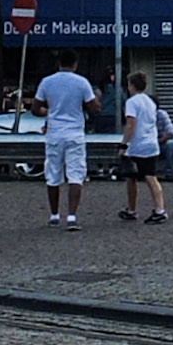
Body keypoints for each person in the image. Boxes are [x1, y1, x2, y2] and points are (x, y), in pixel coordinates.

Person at [31, 52, 100, 229]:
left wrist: (49, 112)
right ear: (75, 64)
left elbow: (35, 108)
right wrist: (97, 98)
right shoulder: (82, 82)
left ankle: (54, 215)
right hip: (75, 133)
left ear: (58, 63)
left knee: (53, 174)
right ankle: (71, 216)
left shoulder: (47, 82)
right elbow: (94, 108)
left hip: (54, 132)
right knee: (76, 175)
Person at [116, 71, 172, 224]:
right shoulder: (150, 102)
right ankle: (158, 209)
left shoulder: (131, 102)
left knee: (133, 177)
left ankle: (135, 210)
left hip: (137, 145)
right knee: (149, 176)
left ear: (132, 86)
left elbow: (131, 124)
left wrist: (124, 144)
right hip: (151, 143)